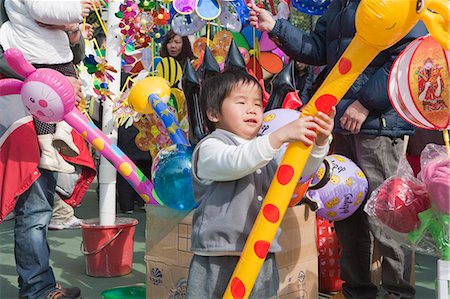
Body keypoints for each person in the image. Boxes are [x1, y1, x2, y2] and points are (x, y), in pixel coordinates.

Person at [247, 2, 428, 298]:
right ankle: (358, 290)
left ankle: (399, 292)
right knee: (347, 210)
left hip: (377, 124)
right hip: (338, 119)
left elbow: (408, 54)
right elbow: (319, 48)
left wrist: (367, 103)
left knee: (386, 213)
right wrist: (275, 27)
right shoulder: (338, 4)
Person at [185, 69, 334, 298]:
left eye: (257, 103)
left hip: (261, 250)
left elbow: (299, 172)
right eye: (241, 102)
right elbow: (235, 162)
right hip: (218, 253)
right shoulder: (211, 147)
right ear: (214, 114)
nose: (252, 109)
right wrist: (278, 137)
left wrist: (320, 142)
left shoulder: (265, 149)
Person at [0, 0, 96, 174]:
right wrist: (74, 9)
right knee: (46, 101)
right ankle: (55, 143)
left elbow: (78, 52)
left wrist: (72, 29)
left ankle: (52, 148)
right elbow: (41, 9)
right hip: (35, 66)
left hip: (46, 56)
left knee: (47, 104)